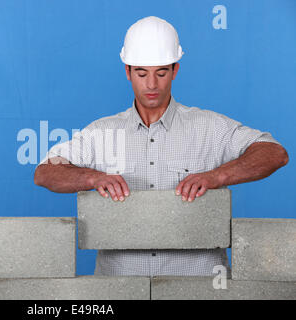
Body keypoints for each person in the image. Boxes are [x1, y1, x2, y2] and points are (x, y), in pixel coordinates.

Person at [33, 16, 289, 276]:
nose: (152, 84)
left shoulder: (209, 128)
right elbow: (45, 172)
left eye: (161, 72)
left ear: (175, 70)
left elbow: (274, 153)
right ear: (128, 72)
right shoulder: (101, 133)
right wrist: (92, 178)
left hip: (199, 288)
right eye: (142, 73)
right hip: (120, 289)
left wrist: (218, 175)